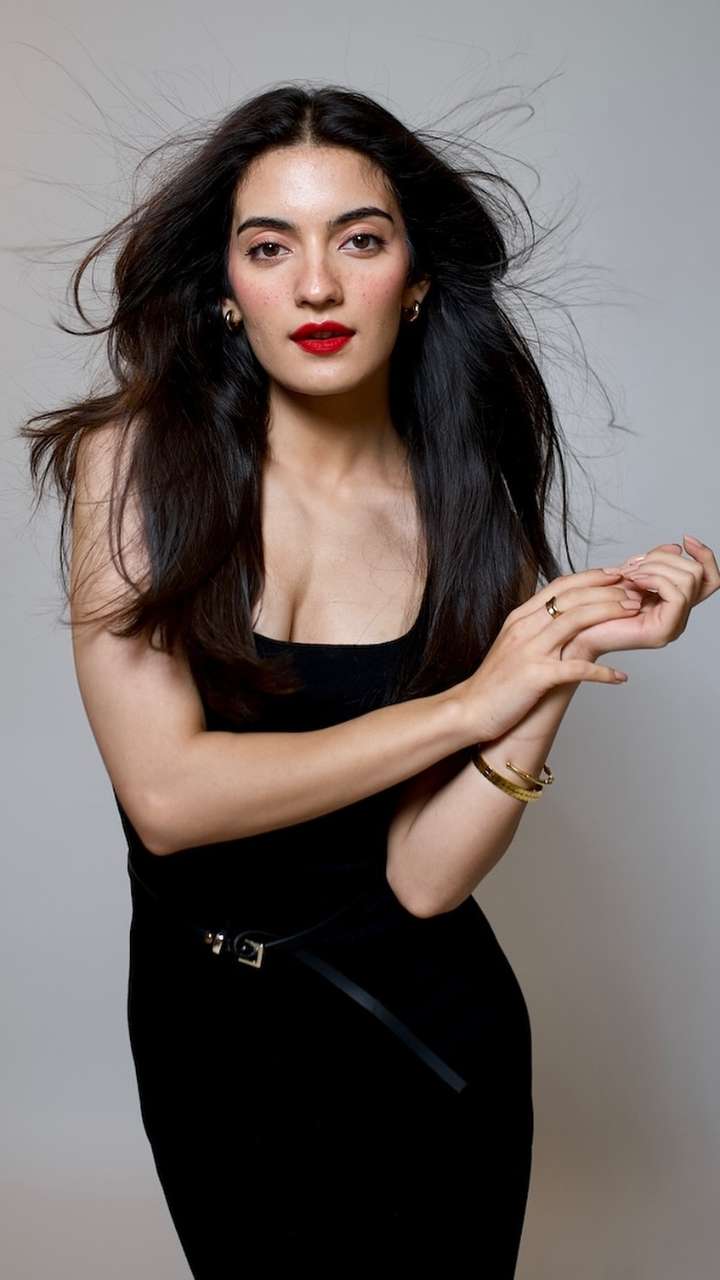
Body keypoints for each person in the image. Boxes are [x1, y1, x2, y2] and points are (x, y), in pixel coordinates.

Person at [19, 82, 718, 1277]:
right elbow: (169, 798)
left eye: (359, 239)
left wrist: (556, 655)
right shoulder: (133, 463)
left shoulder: (465, 495)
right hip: (208, 1032)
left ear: (418, 275)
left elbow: (426, 877)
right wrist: (466, 704)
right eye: (269, 247)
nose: (317, 286)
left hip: (427, 1031)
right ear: (226, 288)